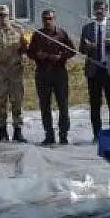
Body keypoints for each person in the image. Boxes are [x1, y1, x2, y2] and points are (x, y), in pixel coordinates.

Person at [79, 0, 110, 141]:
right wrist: (88, 47)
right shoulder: (87, 28)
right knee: (95, 103)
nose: (99, 11)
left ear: (107, 10)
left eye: (102, 9)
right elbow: (81, 50)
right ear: (93, 11)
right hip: (94, 70)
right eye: (97, 9)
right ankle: (97, 134)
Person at [26, 9, 76, 145]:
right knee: (44, 105)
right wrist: (38, 55)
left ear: (54, 19)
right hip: (43, 73)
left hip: (59, 72)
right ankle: (49, 134)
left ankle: (63, 134)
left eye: (50, 18)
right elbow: (30, 53)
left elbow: (72, 51)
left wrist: (61, 56)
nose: (48, 21)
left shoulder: (61, 33)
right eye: (45, 19)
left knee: (63, 104)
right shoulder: (37, 35)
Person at [0, 4, 28, 142]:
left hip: (15, 70)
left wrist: (24, 48)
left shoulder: (18, 29)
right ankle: (2, 132)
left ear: (10, 15)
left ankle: (18, 131)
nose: (3, 18)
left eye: (5, 15)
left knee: (17, 101)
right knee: (0, 101)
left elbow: (25, 49)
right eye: (0, 15)